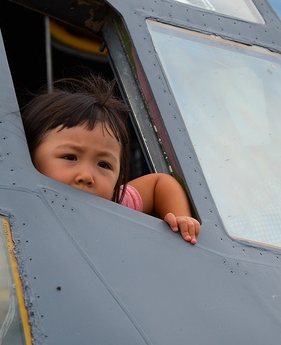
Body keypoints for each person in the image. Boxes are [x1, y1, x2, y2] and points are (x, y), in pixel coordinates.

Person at [22, 75, 200, 244]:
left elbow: (159, 184)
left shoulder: (115, 202)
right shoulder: (18, 197)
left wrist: (181, 221)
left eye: (103, 164)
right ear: (29, 154)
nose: (86, 176)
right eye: (70, 157)